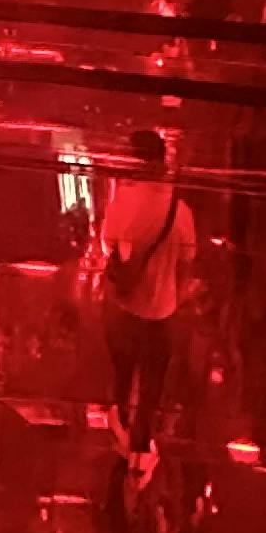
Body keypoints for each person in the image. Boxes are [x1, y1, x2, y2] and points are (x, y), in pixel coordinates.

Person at [93, 128, 197, 457]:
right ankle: (139, 446)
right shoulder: (180, 211)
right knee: (152, 386)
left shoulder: (123, 202)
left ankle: (119, 434)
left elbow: (107, 246)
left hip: (124, 309)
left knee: (123, 374)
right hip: (162, 314)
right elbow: (186, 263)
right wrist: (177, 297)